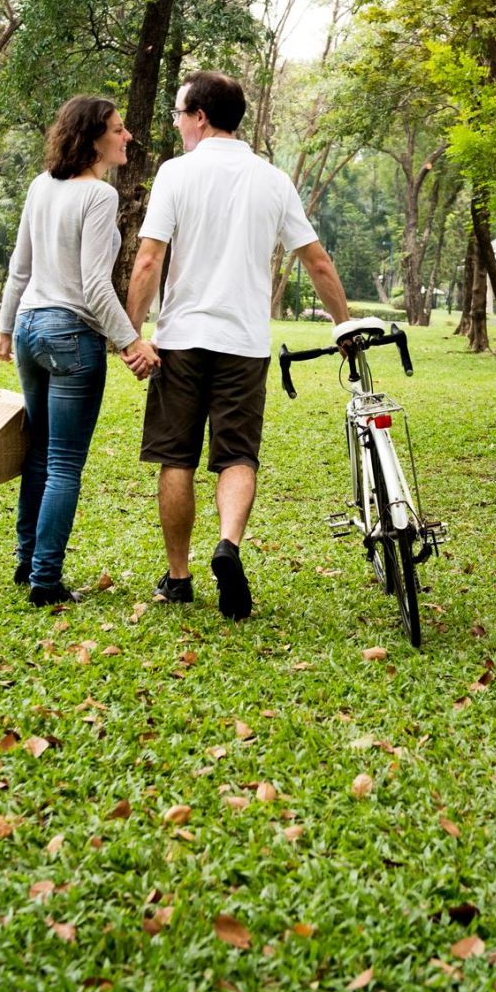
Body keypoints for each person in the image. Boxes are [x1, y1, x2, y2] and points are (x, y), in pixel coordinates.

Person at [124, 69, 351, 620]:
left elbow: (150, 259)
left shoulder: (176, 175)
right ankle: (228, 545)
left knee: (175, 456)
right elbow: (316, 260)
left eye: (179, 114)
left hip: (180, 342)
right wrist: (342, 324)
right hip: (244, 344)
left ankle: (179, 579)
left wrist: (131, 334)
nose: (177, 124)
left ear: (200, 116)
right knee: (238, 455)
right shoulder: (272, 179)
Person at [0, 94, 158, 605]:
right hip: (70, 337)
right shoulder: (99, 196)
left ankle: (27, 562)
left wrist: (2, 329)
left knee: (38, 456)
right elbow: (94, 286)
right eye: (117, 128)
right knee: (62, 462)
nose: (127, 136)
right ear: (92, 140)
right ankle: (46, 580)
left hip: (28, 330)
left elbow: (20, 267)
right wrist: (133, 342)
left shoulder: (42, 186)